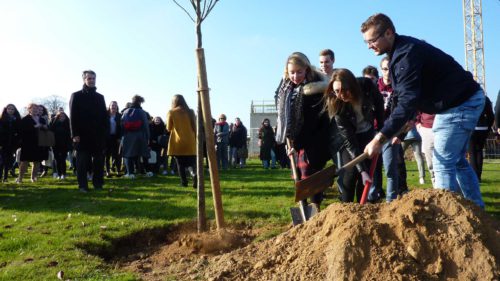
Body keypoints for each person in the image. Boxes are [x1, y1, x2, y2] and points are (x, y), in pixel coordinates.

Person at [361, 13, 486, 208]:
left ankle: (445, 217)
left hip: (461, 104)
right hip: (460, 101)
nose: (369, 46)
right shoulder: (398, 54)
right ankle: (477, 209)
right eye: (366, 42)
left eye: (372, 40)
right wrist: (393, 129)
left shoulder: (406, 54)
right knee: (457, 161)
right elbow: (402, 97)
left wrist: (380, 138)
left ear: (389, 32)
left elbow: (408, 101)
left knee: (442, 161)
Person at [275, 52, 330, 208]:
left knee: (310, 175)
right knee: (297, 175)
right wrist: (289, 139)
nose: (295, 76)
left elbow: (313, 122)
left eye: (299, 72)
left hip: (314, 140)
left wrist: (296, 143)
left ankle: (315, 208)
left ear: (306, 70)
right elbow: (279, 107)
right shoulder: (284, 90)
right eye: (292, 72)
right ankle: (304, 207)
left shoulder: (315, 90)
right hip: (294, 139)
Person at [323, 68, 384, 203]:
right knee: (350, 174)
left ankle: (361, 210)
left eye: (344, 90)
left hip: (368, 134)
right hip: (347, 139)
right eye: (337, 91)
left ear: (352, 85)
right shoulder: (338, 107)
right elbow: (350, 142)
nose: (341, 95)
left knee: (367, 176)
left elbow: (379, 105)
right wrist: (361, 170)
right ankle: (346, 209)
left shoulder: (366, 86)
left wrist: (381, 134)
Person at [69, 70, 108, 192]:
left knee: (99, 161)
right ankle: (82, 185)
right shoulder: (76, 95)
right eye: (89, 78)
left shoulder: (100, 97)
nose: (91, 80)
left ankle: (98, 184)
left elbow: (104, 117)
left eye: (93, 78)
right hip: (82, 135)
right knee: (82, 162)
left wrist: (104, 134)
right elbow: (73, 116)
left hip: (97, 135)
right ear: (84, 79)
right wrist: (74, 134)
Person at [166, 94, 197, 188]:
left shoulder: (171, 112)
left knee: (180, 164)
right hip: (190, 141)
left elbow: (168, 127)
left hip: (178, 141)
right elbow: (195, 127)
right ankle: (194, 175)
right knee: (191, 162)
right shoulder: (190, 111)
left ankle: (184, 182)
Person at [121, 95, 151, 178]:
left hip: (128, 135)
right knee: (144, 154)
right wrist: (148, 137)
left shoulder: (126, 111)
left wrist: (123, 135)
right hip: (141, 135)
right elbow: (145, 125)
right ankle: (148, 172)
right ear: (140, 102)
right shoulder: (142, 112)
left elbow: (122, 124)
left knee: (128, 154)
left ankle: (130, 173)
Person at [17, 103, 47, 183]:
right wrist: (34, 127)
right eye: (33, 108)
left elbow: (47, 129)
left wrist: (44, 127)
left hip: (39, 143)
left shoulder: (42, 119)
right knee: (25, 161)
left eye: (36, 109)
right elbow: (21, 131)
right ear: (29, 109)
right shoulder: (25, 119)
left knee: (37, 161)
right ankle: (20, 178)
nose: (35, 110)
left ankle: (33, 177)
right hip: (28, 143)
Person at [468, 96, 494, 182]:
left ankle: (474, 177)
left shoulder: (468, 97)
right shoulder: (485, 98)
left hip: (471, 126)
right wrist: (488, 127)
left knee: (472, 153)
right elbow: (491, 115)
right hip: (483, 127)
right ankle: (478, 176)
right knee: (479, 152)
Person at [0, 104, 21, 183]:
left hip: (12, 143)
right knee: (2, 160)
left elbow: (19, 131)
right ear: (6, 110)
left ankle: (5, 177)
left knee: (8, 161)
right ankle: (2, 176)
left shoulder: (17, 119)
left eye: (12, 109)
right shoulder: (2, 119)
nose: (11, 110)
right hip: (3, 143)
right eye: (9, 109)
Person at [49, 111, 72, 180]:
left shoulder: (68, 123)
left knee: (63, 159)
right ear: (57, 117)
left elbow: (70, 135)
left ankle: (63, 174)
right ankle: (59, 174)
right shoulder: (53, 123)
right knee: (57, 159)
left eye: (63, 116)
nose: (62, 118)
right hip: (55, 144)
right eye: (60, 116)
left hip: (65, 144)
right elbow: (50, 132)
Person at [416, 112, 436, 186]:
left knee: (448, 161)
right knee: (431, 163)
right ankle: (437, 188)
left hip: (446, 126)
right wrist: (418, 124)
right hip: (427, 128)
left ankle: (454, 193)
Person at [105, 101, 122, 177]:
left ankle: (118, 171)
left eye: (115, 105)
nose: (113, 107)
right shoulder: (105, 115)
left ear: (117, 107)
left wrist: (119, 137)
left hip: (116, 138)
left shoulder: (120, 116)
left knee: (117, 155)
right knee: (107, 155)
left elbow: (122, 128)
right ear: (109, 106)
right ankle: (108, 171)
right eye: (112, 105)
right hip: (107, 138)